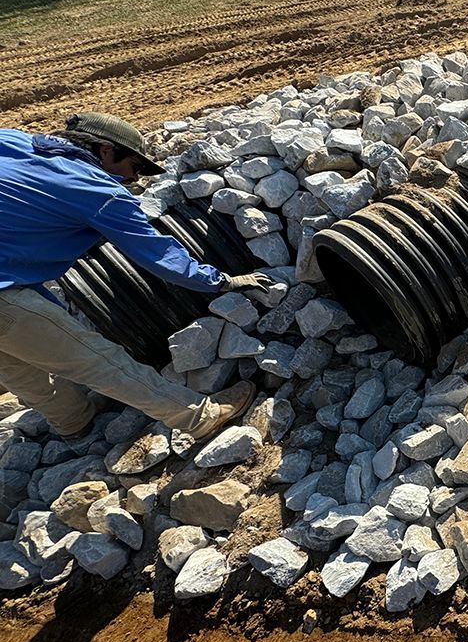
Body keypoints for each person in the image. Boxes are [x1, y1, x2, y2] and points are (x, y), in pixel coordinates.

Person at [0, 112, 273, 442]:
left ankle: (73, 422)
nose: (133, 178)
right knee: (95, 359)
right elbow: (156, 253)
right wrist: (220, 281)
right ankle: (197, 417)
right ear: (105, 150)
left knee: (15, 362)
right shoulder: (97, 190)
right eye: (135, 166)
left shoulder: (11, 140)